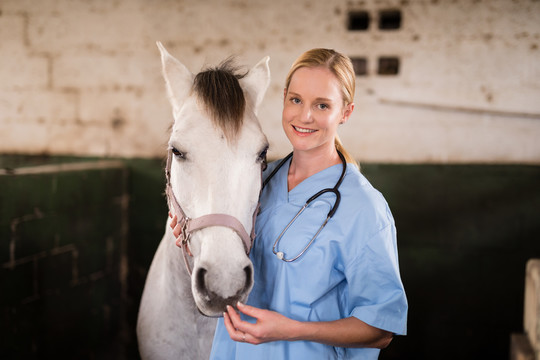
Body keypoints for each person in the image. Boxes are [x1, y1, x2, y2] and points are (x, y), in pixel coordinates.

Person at [198, 48, 407, 359]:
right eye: (296, 100)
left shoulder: (364, 208)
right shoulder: (257, 180)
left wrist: (292, 329)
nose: (305, 116)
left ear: (346, 112)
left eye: (322, 105)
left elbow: (380, 329)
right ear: (284, 98)